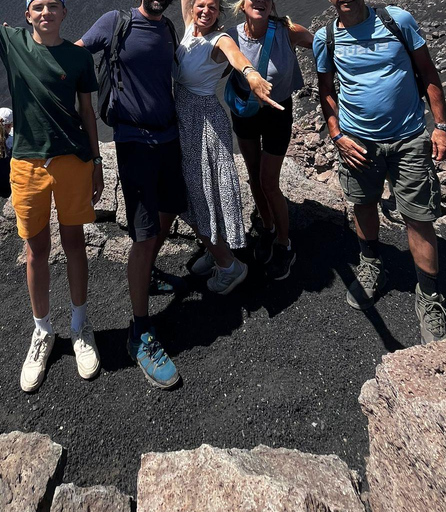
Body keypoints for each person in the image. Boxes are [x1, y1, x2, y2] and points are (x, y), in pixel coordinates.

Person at [0, 0, 105, 391]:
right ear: (28, 15)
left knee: (75, 244)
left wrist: (96, 161)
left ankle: (80, 327)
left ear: (64, 13)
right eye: (37, 6)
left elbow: (87, 112)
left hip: (73, 161)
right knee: (35, 251)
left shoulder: (79, 58)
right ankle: (42, 331)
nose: (45, 12)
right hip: (27, 164)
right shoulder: (11, 42)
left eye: (52, 6)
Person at [313, 0, 446, 343]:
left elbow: (428, 71)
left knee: (418, 217)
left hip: (407, 138)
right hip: (358, 142)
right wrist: (337, 135)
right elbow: (326, 90)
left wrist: (442, 125)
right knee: (363, 204)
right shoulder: (326, 37)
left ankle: (430, 299)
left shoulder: (397, 20)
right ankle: (372, 264)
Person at [78, 0, 187, 389]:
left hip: (168, 136)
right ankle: (139, 332)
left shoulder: (168, 28)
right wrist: (22, 48)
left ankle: (150, 274)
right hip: (133, 141)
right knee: (143, 235)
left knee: (170, 211)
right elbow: (74, 53)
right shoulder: (115, 22)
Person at [175, 0, 278, 294]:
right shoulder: (189, 31)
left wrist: (251, 73)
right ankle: (215, 246)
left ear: (220, 13)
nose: (205, 11)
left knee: (200, 192)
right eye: (200, 5)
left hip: (203, 123)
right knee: (198, 192)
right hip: (184, 118)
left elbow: (236, 57)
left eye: (213, 7)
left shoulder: (219, 39)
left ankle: (229, 267)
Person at [227, 0, 313, 280]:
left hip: (277, 113)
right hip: (245, 111)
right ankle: (268, 226)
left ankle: (284, 243)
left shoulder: (288, 31)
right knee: (253, 175)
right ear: (243, 3)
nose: (260, 1)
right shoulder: (231, 35)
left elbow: (323, 46)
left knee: (268, 181)